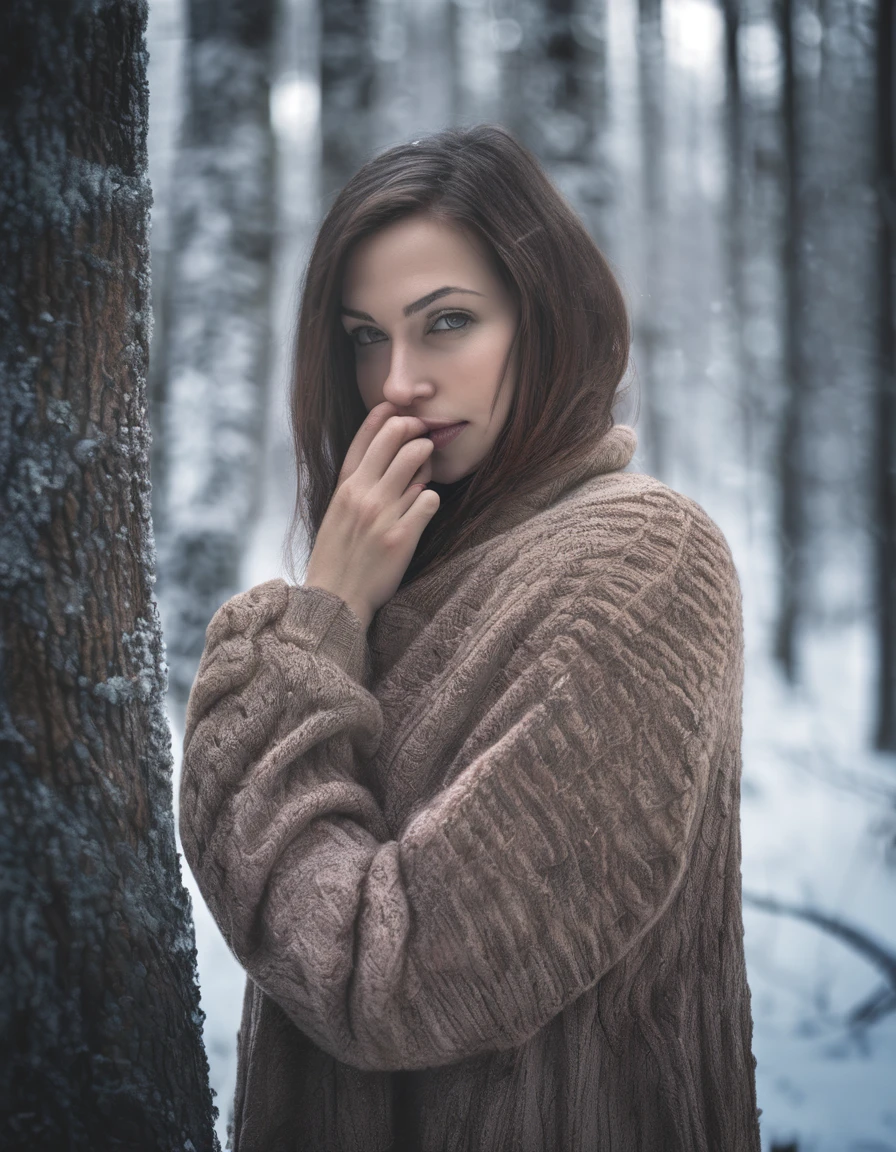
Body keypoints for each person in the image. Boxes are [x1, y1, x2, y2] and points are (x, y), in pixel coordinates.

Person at [178, 124, 762, 1152]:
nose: (396, 379)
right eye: (365, 336)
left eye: (445, 322)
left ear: (546, 322)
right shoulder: (411, 558)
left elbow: (387, 980)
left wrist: (314, 632)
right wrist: (338, 608)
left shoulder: (640, 562)